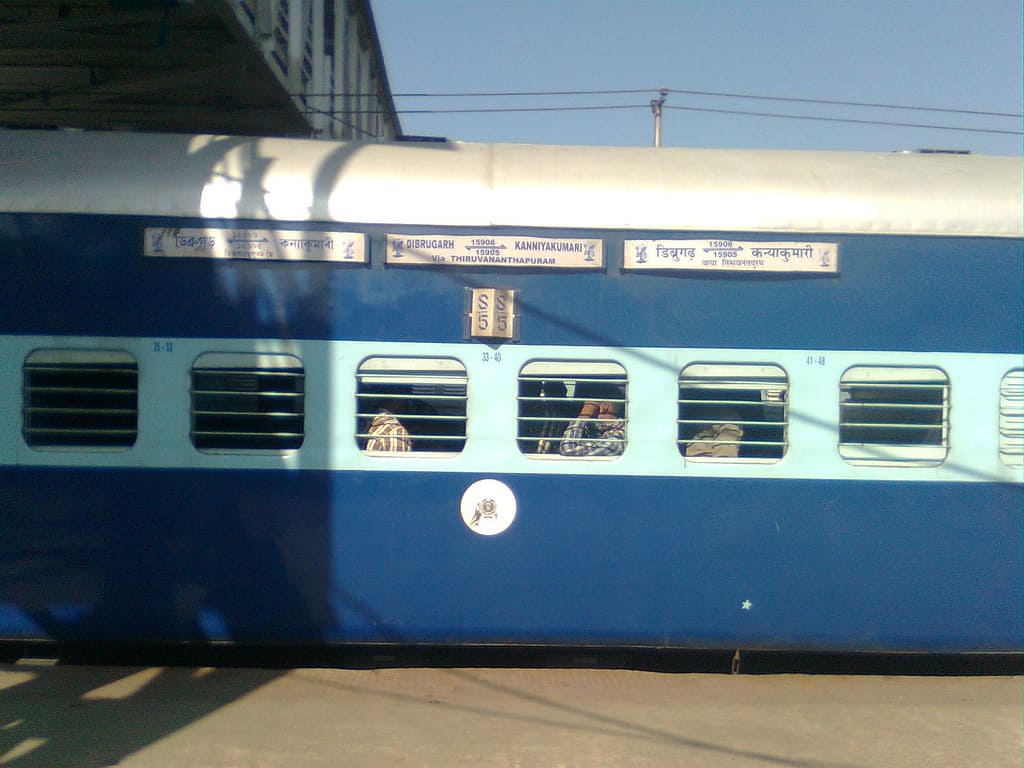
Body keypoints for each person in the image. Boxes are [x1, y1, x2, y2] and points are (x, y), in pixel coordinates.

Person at [559, 400, 625, 457]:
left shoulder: (618, 437)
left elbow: (568, 450)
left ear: (605, 407)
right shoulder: (596, 430)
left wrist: (583, 416)